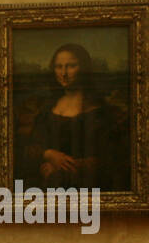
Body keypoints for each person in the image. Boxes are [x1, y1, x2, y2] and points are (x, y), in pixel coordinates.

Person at [23, 43, 120, 190]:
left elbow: (109, 160)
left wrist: (62, 167)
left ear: (84, 68)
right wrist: (48, 155)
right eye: (58, 67)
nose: (63, 73)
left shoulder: (97, 111)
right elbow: (30, 148)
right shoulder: (48, 108)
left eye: (71, 66)